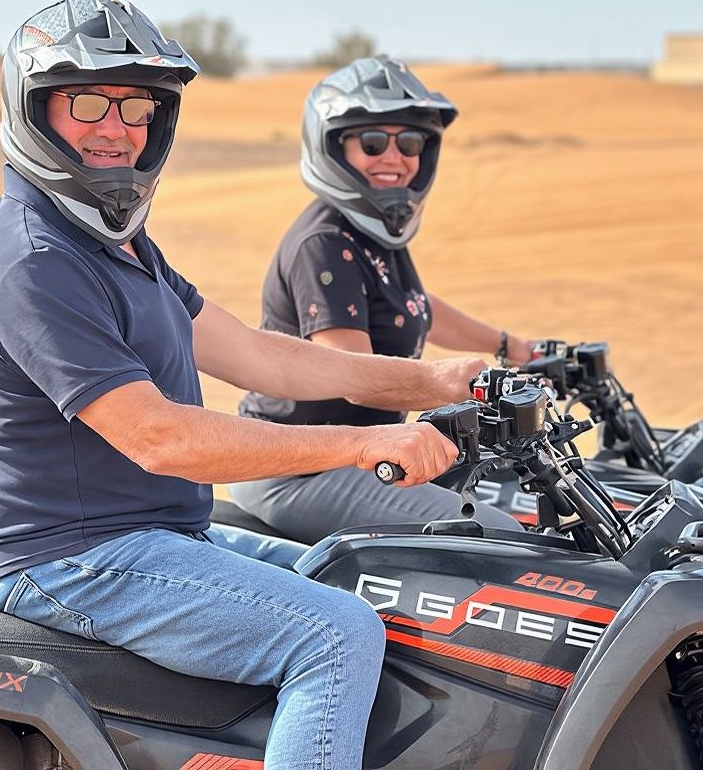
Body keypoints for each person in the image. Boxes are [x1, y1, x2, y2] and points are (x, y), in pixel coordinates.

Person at [0, 0, 482, 770]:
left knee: (366, 572)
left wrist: (435, 377)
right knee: (337, 631)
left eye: (138, 108)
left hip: (150, 534)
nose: (115, 127)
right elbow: (164, 438)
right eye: (87, 101)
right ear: (34, 111)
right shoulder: (34, 263)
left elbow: (264, 356)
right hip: (71, 556)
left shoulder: (117, 247)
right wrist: (363, 441)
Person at [231, 56, 539, 542]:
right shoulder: (326, 243)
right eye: (373, 143)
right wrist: (450, 385)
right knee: (494, 534)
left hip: (363, 454)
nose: (394, 158)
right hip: (299, 468)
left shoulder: (374, 235)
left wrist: (515, 347)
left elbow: (415, 306)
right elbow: (352, 377)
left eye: (410, 142)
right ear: (335, 149)